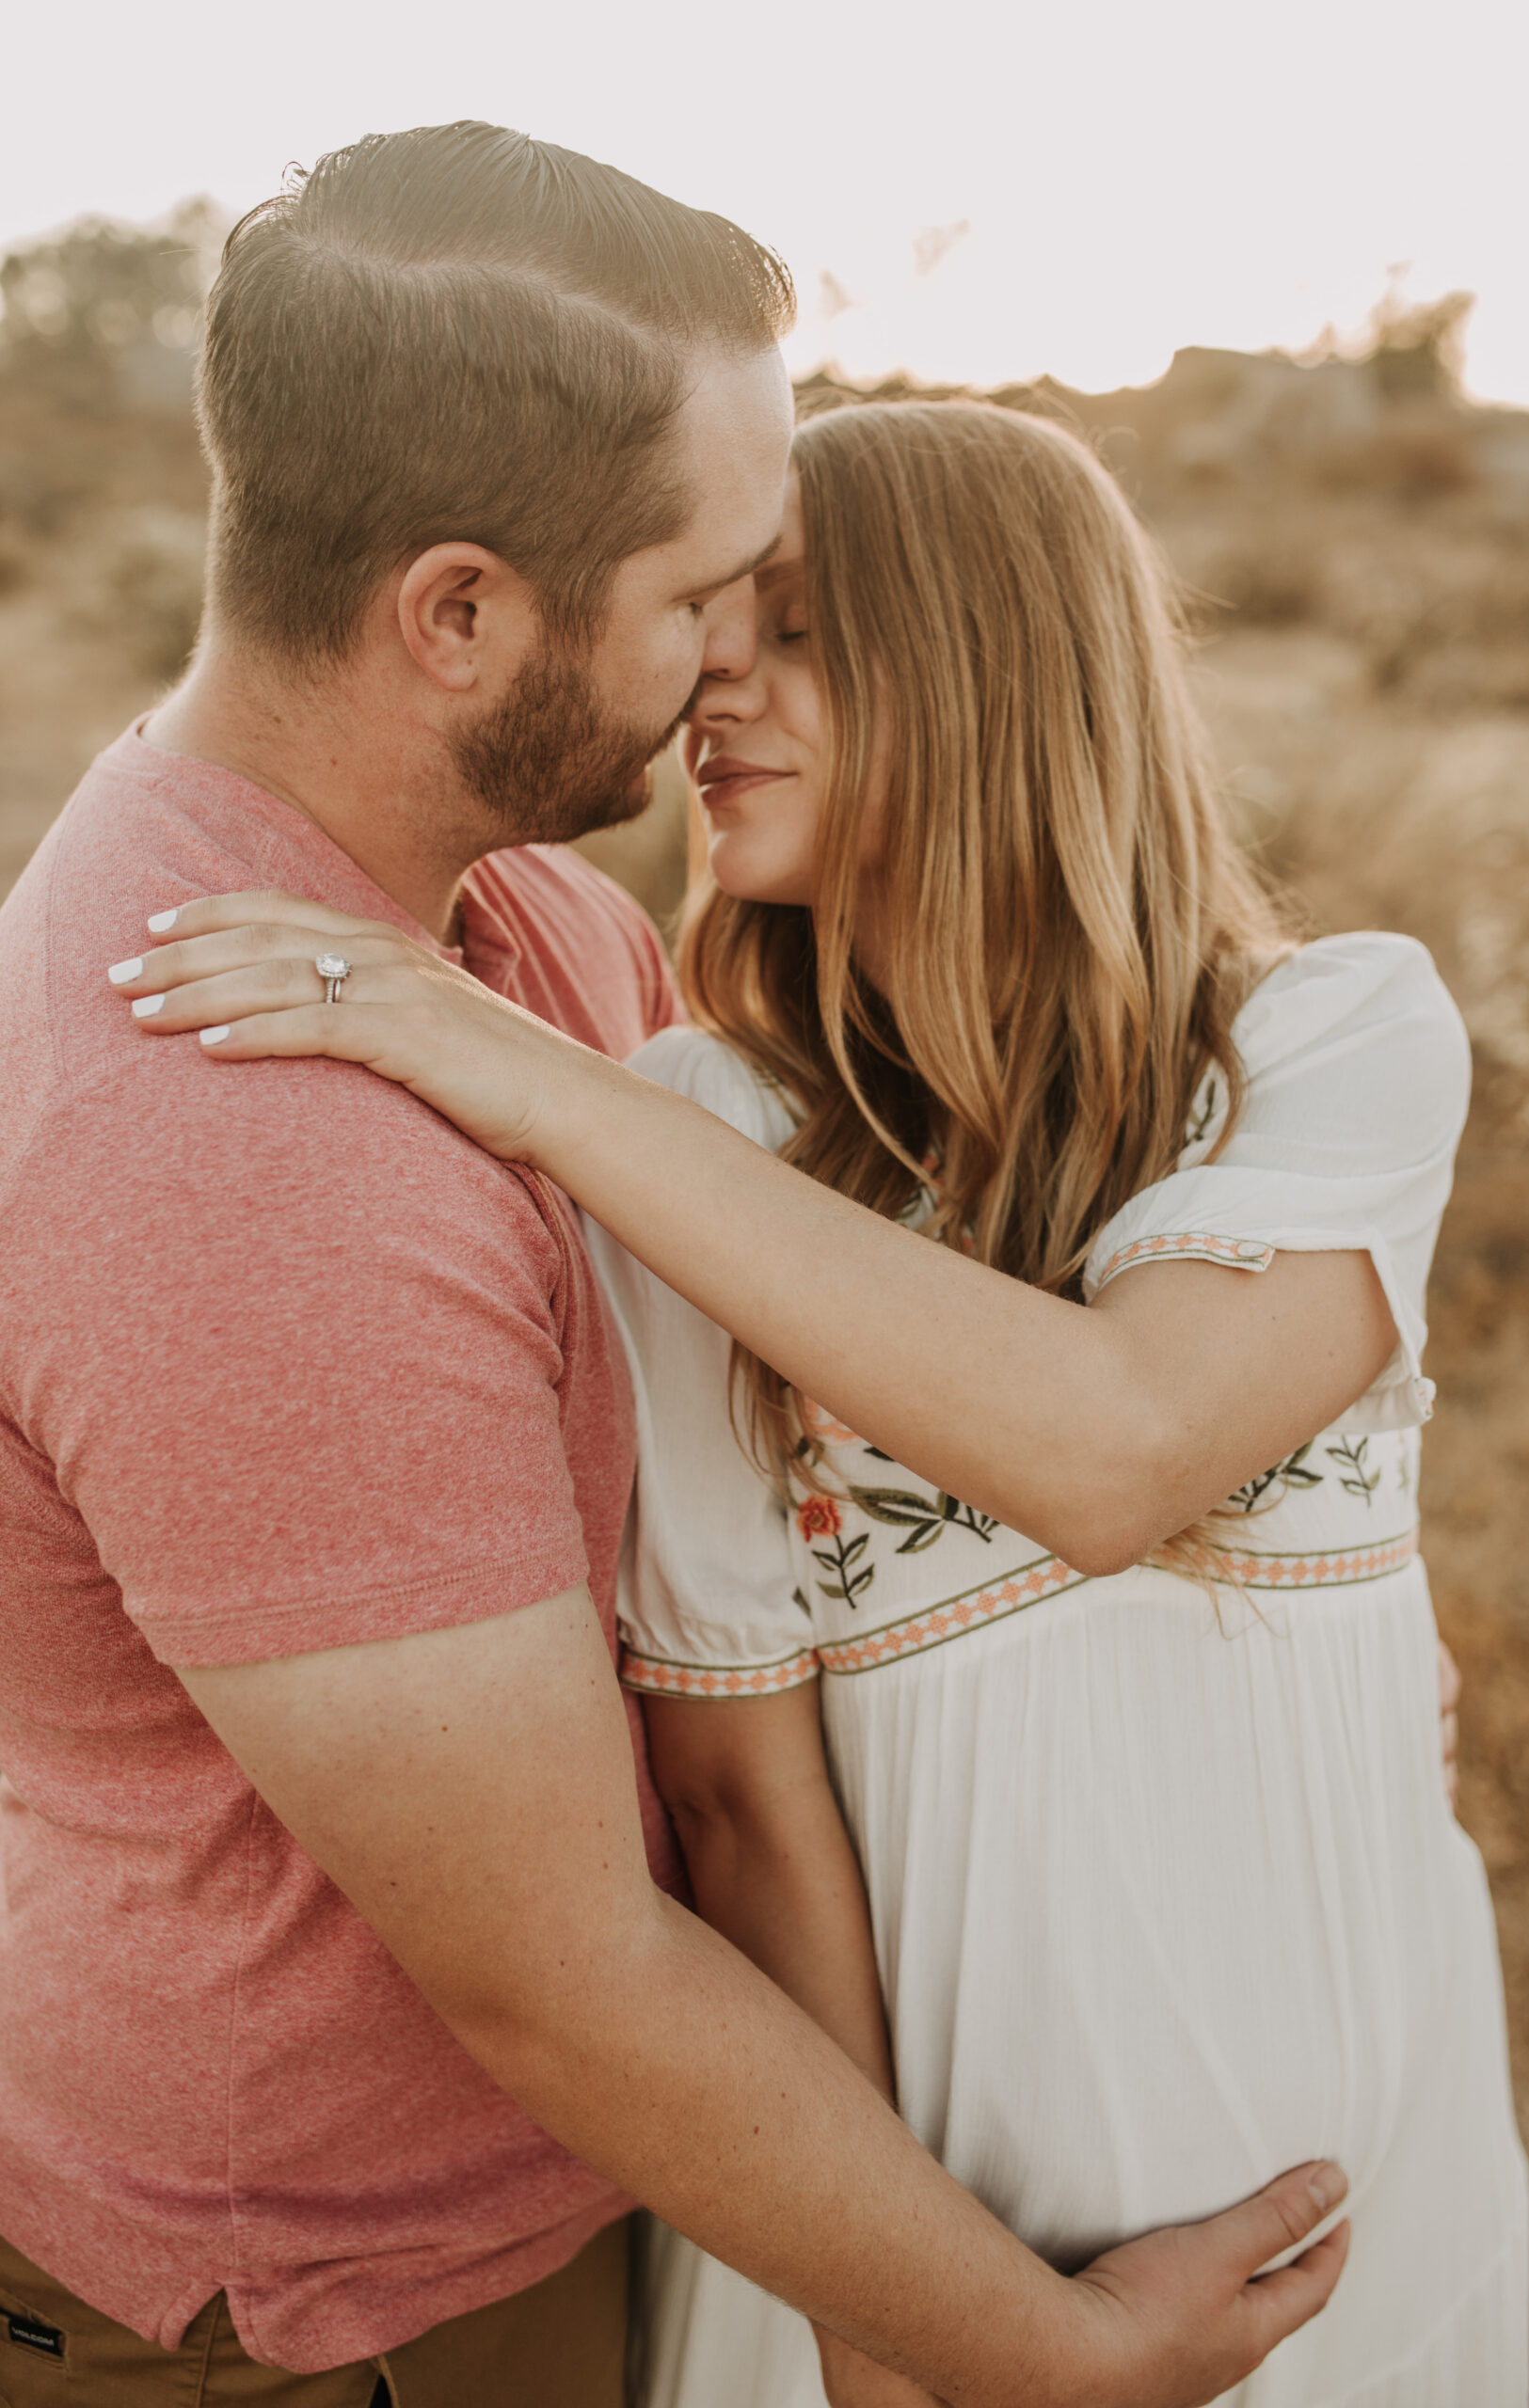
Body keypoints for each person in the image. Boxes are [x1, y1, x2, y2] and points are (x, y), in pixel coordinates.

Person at [0, 124, 1348, 2408]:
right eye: (709, 585)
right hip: (344, 2303)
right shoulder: (240, 1155)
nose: (742, 650)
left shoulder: (519, 914)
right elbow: (558, 1972)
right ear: (459, 614)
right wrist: (1041, 2349)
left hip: (594, 2176)